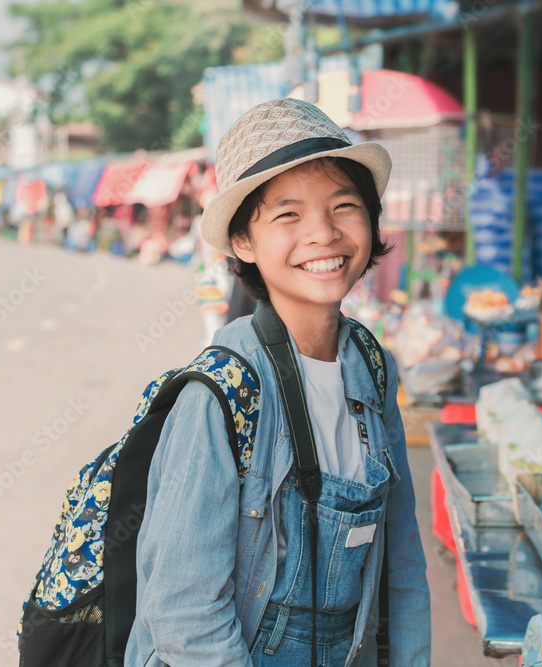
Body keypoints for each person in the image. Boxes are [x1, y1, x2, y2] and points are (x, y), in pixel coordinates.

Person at [125, 99, 431, 666]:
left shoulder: (373, 366)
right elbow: (183, 614)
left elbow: (402, 564)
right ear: (243, 242)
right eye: (288, 215)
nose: (323, 233)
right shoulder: (222, 392)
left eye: (345, 205)